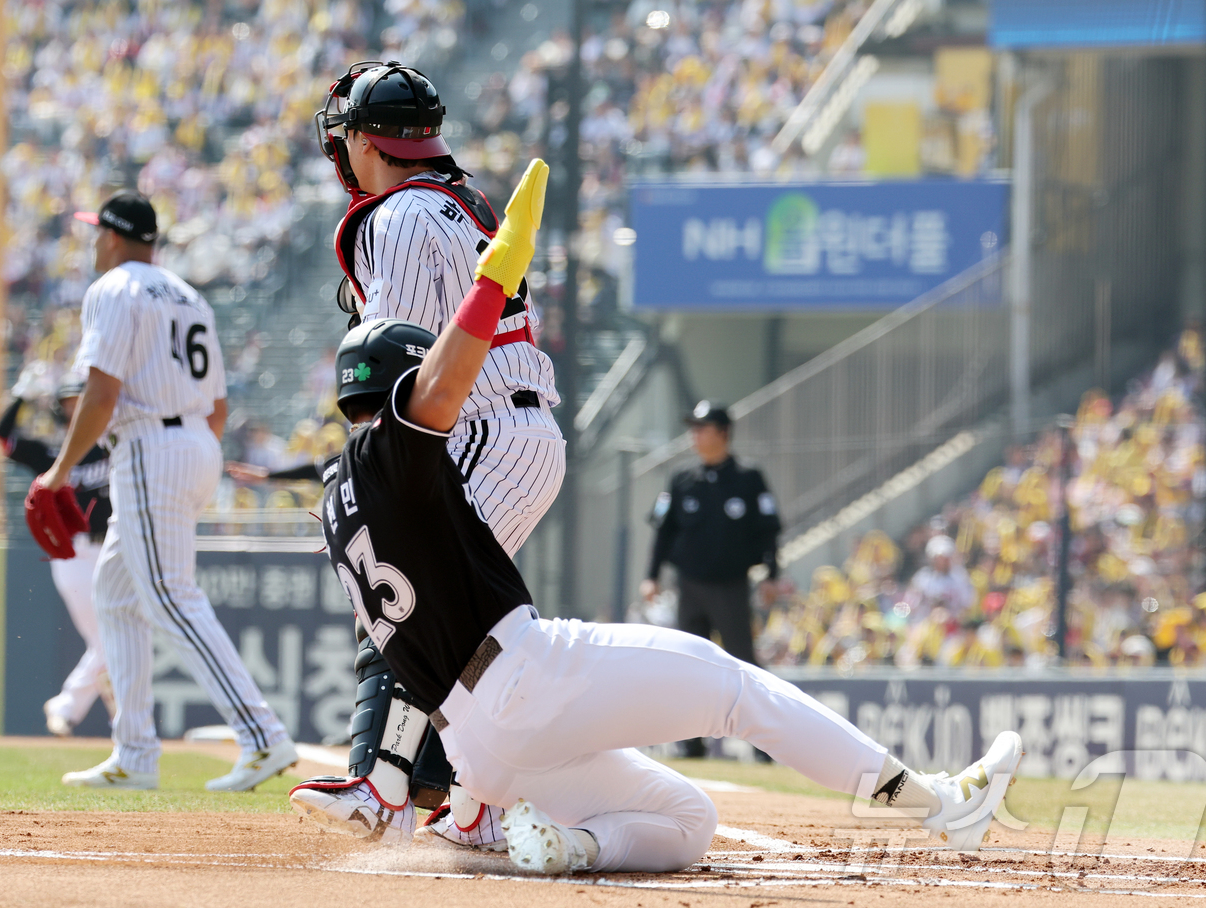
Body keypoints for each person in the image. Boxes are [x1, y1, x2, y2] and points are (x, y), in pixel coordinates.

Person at [294, 160, 1023, 874]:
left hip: (475, 743)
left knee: (688, 820)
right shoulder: (396, 450)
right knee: (740, 692)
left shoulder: (338, 500)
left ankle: (567, 848)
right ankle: (941, 802)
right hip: (521, 676)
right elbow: (446, 384)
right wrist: (499, 268)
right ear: (397, 392)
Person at [290, 60, 565, 851]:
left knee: (397, 593)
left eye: (343, 138)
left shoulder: (401, 216)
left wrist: (377, 468)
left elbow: (400, 359)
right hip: (516, 432)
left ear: (362, 144)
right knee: (463, 624)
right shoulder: (454, 203)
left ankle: (383, 786)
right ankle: (471, 800)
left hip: (477, 429)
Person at [37, 190, 296, 791]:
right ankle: (134, 754)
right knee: (116, 594)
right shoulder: (187, 292)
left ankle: (262, 736)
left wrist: (58, 472)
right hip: (192, 439)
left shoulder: (112, 289)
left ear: (111, 236)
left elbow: (101, 396)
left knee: (169, 596)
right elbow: (221, 406)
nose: (93, 244)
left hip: (152, 445)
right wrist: (189, 454)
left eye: (95, 233)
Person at [640, 401, 781, 758]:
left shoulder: (749, 478)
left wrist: (771, 574)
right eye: (693, 428)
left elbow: (768, 530)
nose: (695, 435)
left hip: (731, 586)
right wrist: (651, 575)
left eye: (702, 428)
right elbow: (663, 531)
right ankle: (691, 742)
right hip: (690, 586)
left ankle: (765, 744)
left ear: (723, 433)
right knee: (689, 663)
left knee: (743, 663)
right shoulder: (682, 479)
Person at [0, 372, 114, 736]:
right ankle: (103, 713)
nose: (75, 408)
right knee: (108, 642)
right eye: (69, 403)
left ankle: (80, 707)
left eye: (81, 400)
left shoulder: (115, 444)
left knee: (115, 639)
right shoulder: (52, 453)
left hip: (113, 547)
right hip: (74, 552)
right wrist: (21, 398)